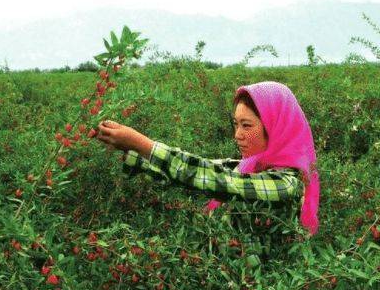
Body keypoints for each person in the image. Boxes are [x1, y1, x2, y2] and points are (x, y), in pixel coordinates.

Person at [95, 81, 320, 240]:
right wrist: (127, 151)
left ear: (275, 128)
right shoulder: (247, 169)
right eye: (236, 124)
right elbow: (197, 171)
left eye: (247, 125)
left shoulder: (286, 184)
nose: (238, 135)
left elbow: (215, 180)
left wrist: (141, 144)